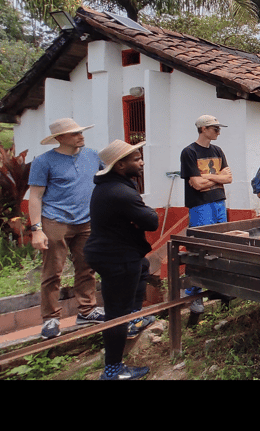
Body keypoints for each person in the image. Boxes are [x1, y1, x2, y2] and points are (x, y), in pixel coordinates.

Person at [84, 140, 159, 380]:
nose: (142, 162)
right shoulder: (121, 192)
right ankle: (113, 369)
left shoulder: (111, 186)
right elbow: (152, 221)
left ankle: (134, 318)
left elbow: (142, 217)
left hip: (114, 253)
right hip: (116, 257)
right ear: (120, 165)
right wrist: (144, 214)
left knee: (144, 267)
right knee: (116, 313)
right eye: (136, 159)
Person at [28, 118, 105, 340]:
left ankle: (87, 310)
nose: (80, 136)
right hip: (55, 220)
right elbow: (35, 196)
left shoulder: (92, 155)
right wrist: (36, 229)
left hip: (86, 221)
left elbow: (109, 175)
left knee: (87, 267)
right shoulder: (44, 161)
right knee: (53, 271)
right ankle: (50, 318)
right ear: (60, 138)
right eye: (74, 134)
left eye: (80, 132)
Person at [180, 115, 232, 314]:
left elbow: (228, 178)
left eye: (219, 128)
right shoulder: (189, 152)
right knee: (200, 246)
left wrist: (208, 177)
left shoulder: (218, 151)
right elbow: (195, 183)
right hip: (200, 205)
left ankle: (217, 286)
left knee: (220, 245)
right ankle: (193, 292)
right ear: (203, 129)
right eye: (215, 128)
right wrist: (217, 179)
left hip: (218, 201)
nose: (218, 132)